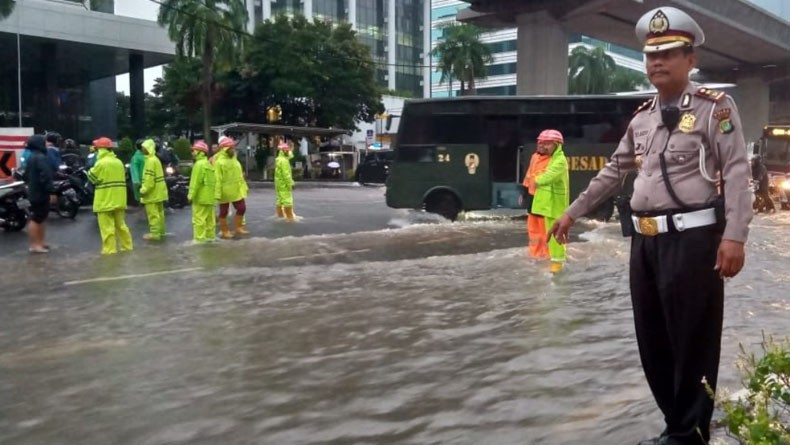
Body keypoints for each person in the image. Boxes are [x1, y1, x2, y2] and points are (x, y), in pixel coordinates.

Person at [548, 7, 752, 445]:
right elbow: (612, 172)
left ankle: (688, 434)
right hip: (645, 243)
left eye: (670, 54)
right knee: (653, 341)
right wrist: (572, 212)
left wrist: (734, 236)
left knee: (693, 341)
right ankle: (676, 426)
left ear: (691, 59)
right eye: (651, 56)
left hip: (695, 241)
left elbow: (736, 173)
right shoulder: (641, 117)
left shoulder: (715, 108)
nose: (657, 63)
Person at [525, 130, 569, 273]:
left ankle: (558, 261)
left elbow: (547, 177)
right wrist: (526, 191)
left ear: (557, 145)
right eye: (541, 143)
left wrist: (535, 180)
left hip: (554, 204)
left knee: (555, 232)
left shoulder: (559, 160)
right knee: (537, 231)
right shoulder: (536, 158)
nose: (543, 146)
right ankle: (539, 255)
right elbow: (529, 175)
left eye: (547, 143)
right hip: (540, 202)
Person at [86, 137, 133, 255]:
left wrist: (89, 171)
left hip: (104, 201)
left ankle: (110, 251)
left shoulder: (100, 163)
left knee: (107, 229)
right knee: (121, 226)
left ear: (101, 149)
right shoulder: (119, 162)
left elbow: (92, 178)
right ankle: (127, 247)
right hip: (120, 200)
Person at [22, 135, 54, 253]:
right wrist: (51, 191)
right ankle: (35, 245)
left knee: (41, 218)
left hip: (34, 191)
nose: (47, 144)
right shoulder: (41, 157)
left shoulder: (32, 157)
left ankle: (40, 242)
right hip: (40, 193)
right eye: (44, 142)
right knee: (36, 219)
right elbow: (46, 176)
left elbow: (25, 175)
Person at [214, 136, 249, 238]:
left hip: (236, 190)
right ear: (225, 149)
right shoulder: (219, 162)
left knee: (242, 208)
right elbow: (217, 179)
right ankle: (225, 231)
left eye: (234, 148)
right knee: (223, 212)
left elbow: (239, 176)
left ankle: (238, 227)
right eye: (231, 148)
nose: (234, 150)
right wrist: (217, 193)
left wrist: (244, 187)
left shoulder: (235, 160)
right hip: (224, 191)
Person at [187, 140, 217, 243]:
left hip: (200, 198)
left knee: (199, 220)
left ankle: (199, 241)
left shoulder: (198, 165)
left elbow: (195, 182)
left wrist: (190, 195)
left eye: (194, 151)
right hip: (210, 198)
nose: (192, 153)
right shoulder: (208, 164)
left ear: (200, 152)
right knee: (209, 220)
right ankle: (210, 238)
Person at [139, 138, 169, 241]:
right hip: (159, 192)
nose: (142, 149)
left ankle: (155, 234)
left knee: (153, 214)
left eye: (144, 148)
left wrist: (143, 190)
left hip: (152, 193)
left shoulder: (150, 161)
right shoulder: (155, 159)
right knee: (160, 213)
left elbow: (149, 179)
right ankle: (161, 232)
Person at [275, 141, 296, 220]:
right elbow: (286, 174)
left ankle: (280, 216)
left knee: (279, 200)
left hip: (278, 184)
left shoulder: (279, 159)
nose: (288, 151)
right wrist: (291, 183)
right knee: (287, 201)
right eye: (287, 150)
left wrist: (291, 149)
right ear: (284, 151)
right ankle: (290, 218)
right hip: (284, 185)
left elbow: (289, 155)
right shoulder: (284, 161)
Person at [130, 138, 146, 204]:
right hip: (142, 182)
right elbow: (134, 171)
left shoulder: (146, 156)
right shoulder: (136, 157)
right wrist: (137, 182)